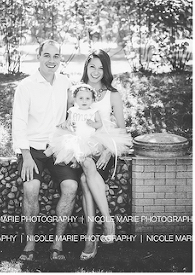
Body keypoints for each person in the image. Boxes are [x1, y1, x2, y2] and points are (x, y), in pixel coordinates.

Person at [12, 40, 77, 261]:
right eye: (47, 55)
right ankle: (30, 243)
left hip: (58, 148)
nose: (51, 60)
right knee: (31, 188)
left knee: (71, 187)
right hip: (33, 149)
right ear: (39, 56)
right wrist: (27, 156)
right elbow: (18, 123)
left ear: (60, 59)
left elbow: (74, 111)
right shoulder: (26, 86)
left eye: (56, 56)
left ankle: (56, 245)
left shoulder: (66, 83)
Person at [75, 49, 132, 260]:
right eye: (92, 67)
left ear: (106, 70)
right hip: (83, 145)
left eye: (101, 68)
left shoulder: (113, 94)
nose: (96, 72)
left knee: (84, 179)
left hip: (107, 146)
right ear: (86, 68)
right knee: (87, 166)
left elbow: (122, 129)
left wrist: (109, 150)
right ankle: (108, 221)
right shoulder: (79, 91)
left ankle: (91, 238)